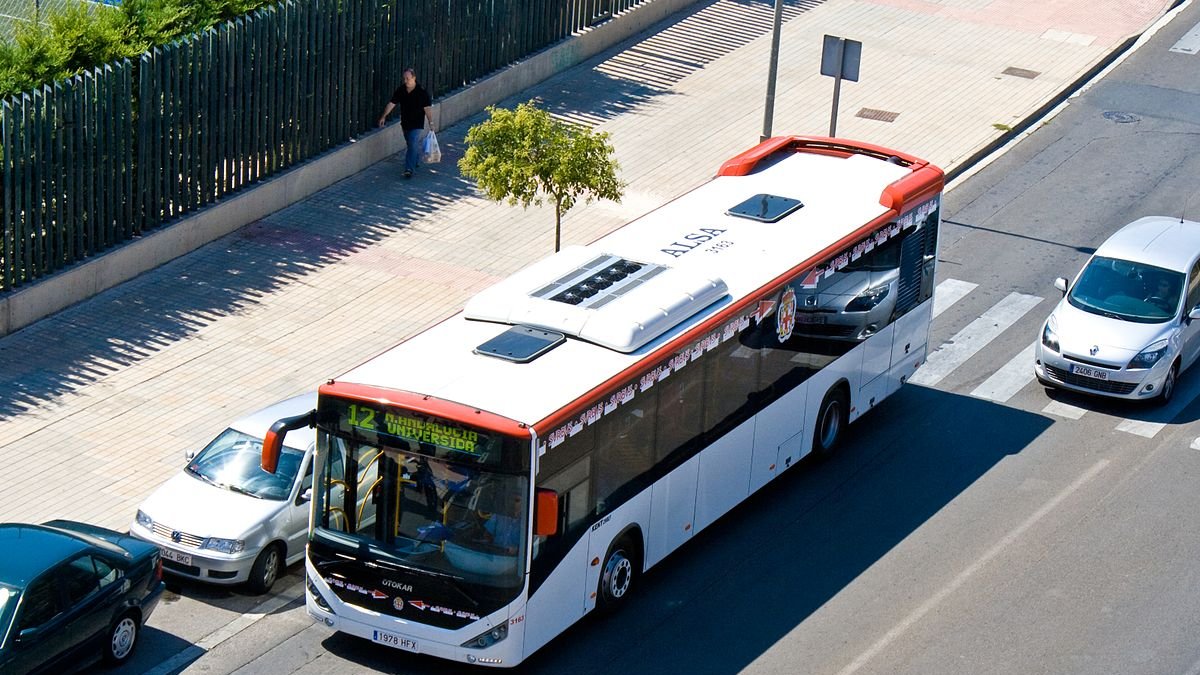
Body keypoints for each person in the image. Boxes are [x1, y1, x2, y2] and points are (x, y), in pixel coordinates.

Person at [378, 68, 435, 179]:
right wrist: (383, 116)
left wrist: (431, 122)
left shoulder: (422, 92)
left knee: (413, 142)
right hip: (405, 123)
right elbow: (392, 103)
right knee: (410, 144)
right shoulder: (401, 90)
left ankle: (409, 169)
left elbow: (427, 108)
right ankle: (415, 159)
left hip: (417, 123)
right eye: (404, 79)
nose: (405, 81)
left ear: (414, 78)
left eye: (408, 79)